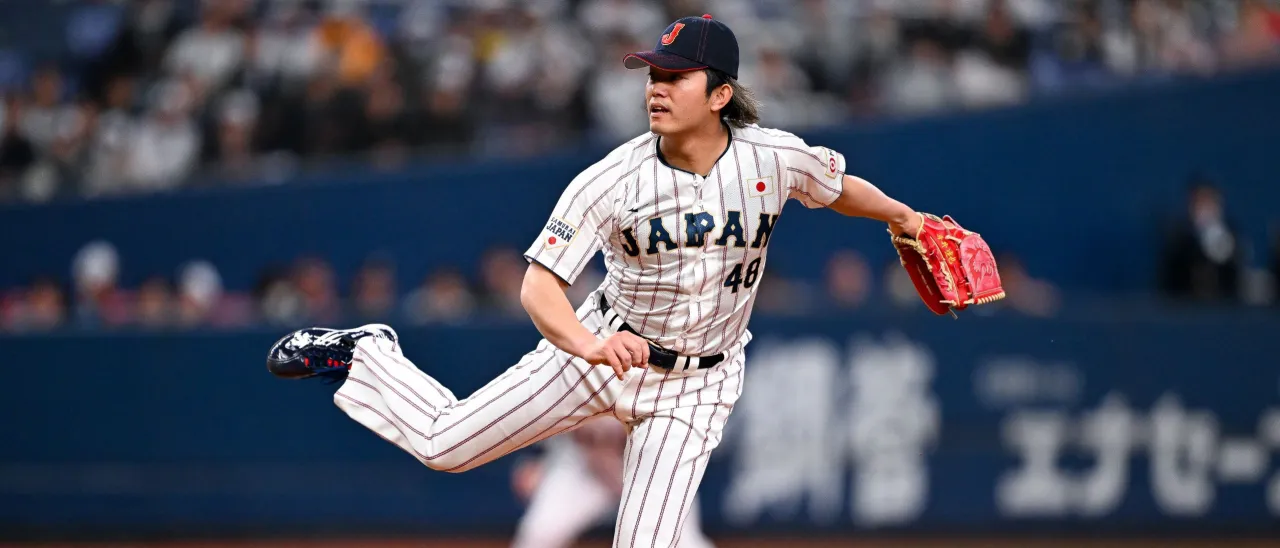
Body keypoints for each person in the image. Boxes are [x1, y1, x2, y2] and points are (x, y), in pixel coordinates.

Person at [265, 14, 925, 547]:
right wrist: (587, 345)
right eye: (652, 74)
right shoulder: (611, 180)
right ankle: (367, 352)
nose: (656, 88)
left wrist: (904, 216)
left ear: (721, 95)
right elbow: (539, 286)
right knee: (446, 445)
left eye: (675, 76)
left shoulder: (773, 158)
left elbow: (835, 186)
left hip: (698, 385)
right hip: (604, 346)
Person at [509, 418, 714, 548]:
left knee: (682, 541)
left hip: (650, 462)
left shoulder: (670, 357)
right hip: (583, 465)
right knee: (539, 534)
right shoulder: (580, 352)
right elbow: (551, 402)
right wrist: (538, 458)